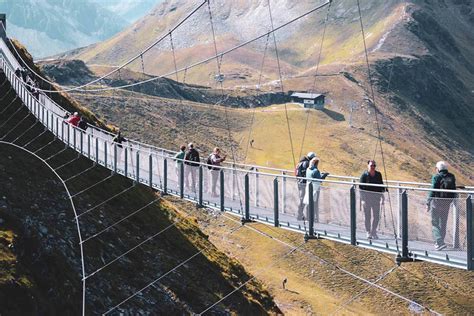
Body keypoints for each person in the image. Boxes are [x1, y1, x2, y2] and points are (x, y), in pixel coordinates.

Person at [426, 161, 456, 251]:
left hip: (437, 203)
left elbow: (432, 190)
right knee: (443, 222)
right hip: (446, 203)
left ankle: (439, 242)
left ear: (438, 169)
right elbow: (453, 189)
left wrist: (428, 202)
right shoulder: (452, 176)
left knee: (435, 222)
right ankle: (440, 242)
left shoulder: (436, 177)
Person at [359, 160, 386, 239]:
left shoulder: (378, 175)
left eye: (374, 165)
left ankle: (374, 231)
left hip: (376, 199)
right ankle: (368, 231)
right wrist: (363, 200)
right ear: (368, 166)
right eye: (371, 166)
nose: (373, 167)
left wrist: (382, 196)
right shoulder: (364, 175)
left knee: (376, 216)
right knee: (368, 216)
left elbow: (381, 186)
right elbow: (360, 188)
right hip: (367, 200)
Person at [303, 157, 329, 222]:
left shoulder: (308, 169)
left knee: (308, 202)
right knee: (313, 203)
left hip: (308, 187)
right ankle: (311, 218)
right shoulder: (316, 171)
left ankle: (307, 217)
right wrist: (325, 175)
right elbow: (319, 180)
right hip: (314, 188)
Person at [295, 152, 316, 220]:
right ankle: (301, 215)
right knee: (305, 199)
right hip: (305, 184)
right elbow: (309, 173)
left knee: (302, 199)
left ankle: (300, 214)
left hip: (299, 182)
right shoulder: (307, 163)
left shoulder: (300, 163)